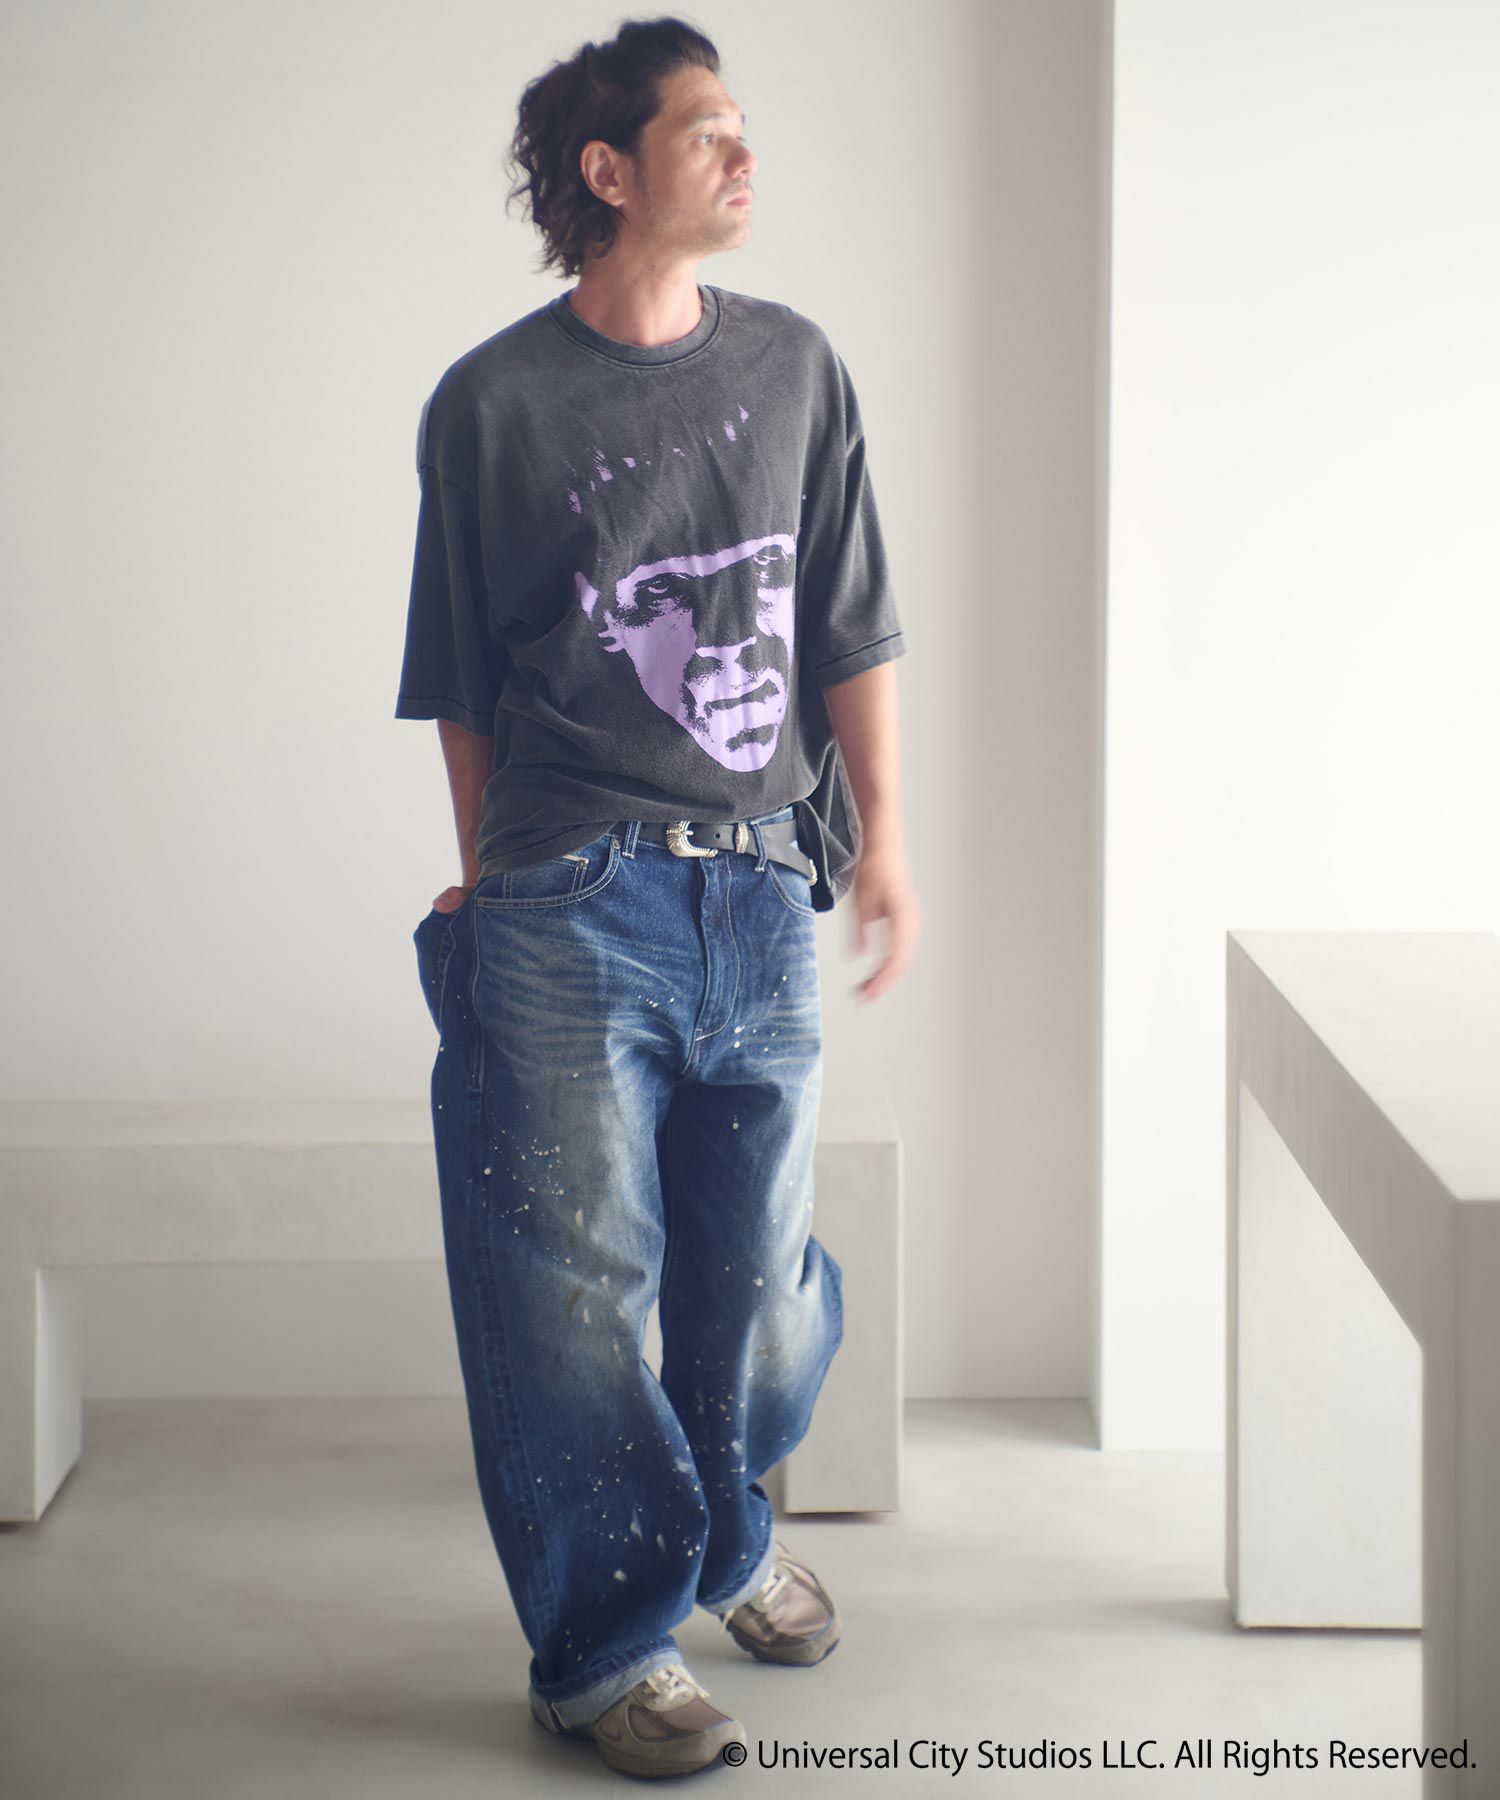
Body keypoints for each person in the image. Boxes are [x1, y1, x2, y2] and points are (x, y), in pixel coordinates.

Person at [395, 15, 923, 1780]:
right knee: (574, 1286)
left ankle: (728, 1538)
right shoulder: (491, 404)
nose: (747, 155)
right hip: (572, 893)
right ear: (609, 170)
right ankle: (608, 1648)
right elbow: (463, 676)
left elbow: (848, 619)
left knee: (756, 1292)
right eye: (710, 130)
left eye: (745, 126)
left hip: (764, 883)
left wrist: (889, 843)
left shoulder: (797, 367)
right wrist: (492, 876)